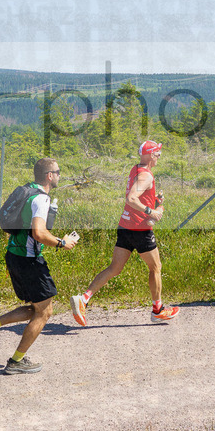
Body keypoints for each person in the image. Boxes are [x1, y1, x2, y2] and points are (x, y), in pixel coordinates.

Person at [0, 158, 80, 374]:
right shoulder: (41, 199)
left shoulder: (24, 191)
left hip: (13, 255)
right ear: (50, 176)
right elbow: (39, 233)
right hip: (29, 260)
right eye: (58, 172)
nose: (60, 175)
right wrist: (62, 242)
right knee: (45, 311)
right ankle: (16, 362)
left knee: (36, 307)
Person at [70, 140, 180, 326]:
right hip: (140, 229)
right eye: (158, 153)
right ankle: (158, 310)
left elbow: (137, 193)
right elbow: (131, 198)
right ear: (151, 155)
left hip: (125, 225)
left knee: (115, 268)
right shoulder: (147, 176)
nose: (159, 157)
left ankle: (84, 298)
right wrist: (151, 212)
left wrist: (154, 200)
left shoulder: (135, 169)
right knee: (156, 267)